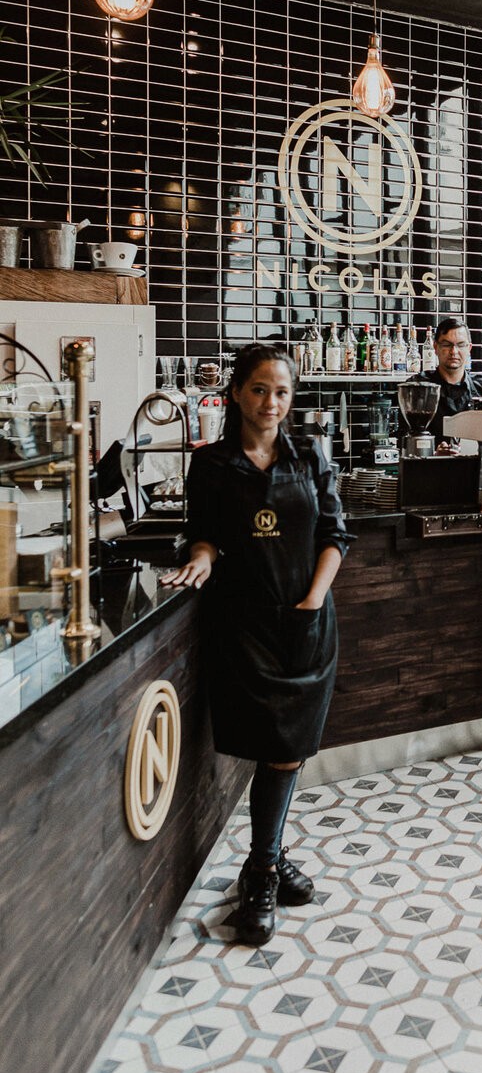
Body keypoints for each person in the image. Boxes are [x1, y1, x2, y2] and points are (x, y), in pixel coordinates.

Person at [160, 342, 351, 946]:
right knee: (272, 747)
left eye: (283, 392)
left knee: (288, 748)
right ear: (237, 394)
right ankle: (266, 865)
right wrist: (199, 558)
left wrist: (314, 599)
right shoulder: (213, 465)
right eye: (260, 389)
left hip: (305, 626)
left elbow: (334, 534)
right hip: (242, 626)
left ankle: (262, 868)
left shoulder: (311, 455)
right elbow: (207, 534)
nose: (272, 402)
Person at [405, 316, 482, 450]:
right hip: (429, 467)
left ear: (469, 348)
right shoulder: (418, 386)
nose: (454, 351)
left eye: (460, 345)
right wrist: (433, 450)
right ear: (435, 347)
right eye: (447, 345)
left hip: (475, 467)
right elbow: (404, 438)